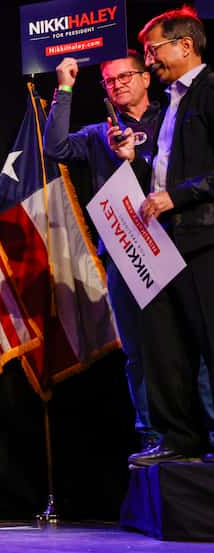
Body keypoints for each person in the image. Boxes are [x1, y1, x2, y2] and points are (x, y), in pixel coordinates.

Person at [42, 51, 214, 453]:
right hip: (126, 254)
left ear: (145, 78)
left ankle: (208, 432)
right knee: (140, 349)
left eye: (124, 76)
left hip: (180, 245)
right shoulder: (98, 133)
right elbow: (55, 148)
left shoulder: (170, 119)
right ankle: (155, 435)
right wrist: (65, 87)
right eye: (108, 81)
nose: (117, 85)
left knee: (197, 342)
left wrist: (139, 158)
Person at [109, 6, 214, 466]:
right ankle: (179, 439)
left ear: (185, 45)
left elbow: (194, 179)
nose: (148, 60)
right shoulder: (172, 100)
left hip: (204, 239)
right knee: (166, 346)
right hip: (166, 244)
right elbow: (171, 168)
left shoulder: (210, 91)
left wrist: (179, 196)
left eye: (154, 50)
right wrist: (137, 165)